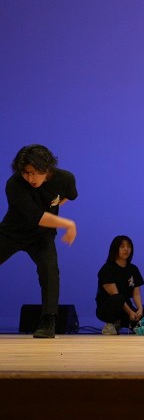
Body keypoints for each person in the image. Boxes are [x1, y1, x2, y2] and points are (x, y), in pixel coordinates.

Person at [1, 145, 77, 338]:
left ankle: (48, 321)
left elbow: (69, 195)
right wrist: (67, 223)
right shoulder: (14, 184)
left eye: (34, 173)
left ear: (47, 168)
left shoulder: (65, 178)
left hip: (43, 235)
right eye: (26, 173)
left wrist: (53, 208)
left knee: (50, 269)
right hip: (13, 231)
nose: (30, 178)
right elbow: (36, 216)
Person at [96, 235, 144, 334]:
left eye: (129, 246)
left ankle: (120, 323)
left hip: (125, 306)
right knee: (118, 298)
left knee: (143, 319)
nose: (126, 249)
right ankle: (110, 324)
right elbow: (115, 295)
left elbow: (136, 294)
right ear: (115, 249)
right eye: (122, 246)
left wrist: (139, 308)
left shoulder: (133, 269)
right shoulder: (107, 269)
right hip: (107, 307)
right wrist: (130, 313)